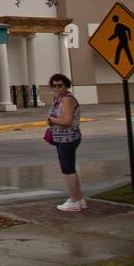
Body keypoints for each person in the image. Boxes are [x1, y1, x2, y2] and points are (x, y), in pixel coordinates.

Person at [47, 73, 86, 212]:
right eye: (54, 85)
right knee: (70, 168)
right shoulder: (60, 99)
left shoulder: (67, 100)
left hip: (68, 138)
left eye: (60, 85)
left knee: (68, 169)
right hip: (63, 138)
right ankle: (79, 199)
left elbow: (66, 121)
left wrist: (52, 120)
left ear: (66, 85)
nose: (57, 88)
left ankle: (73, 200)